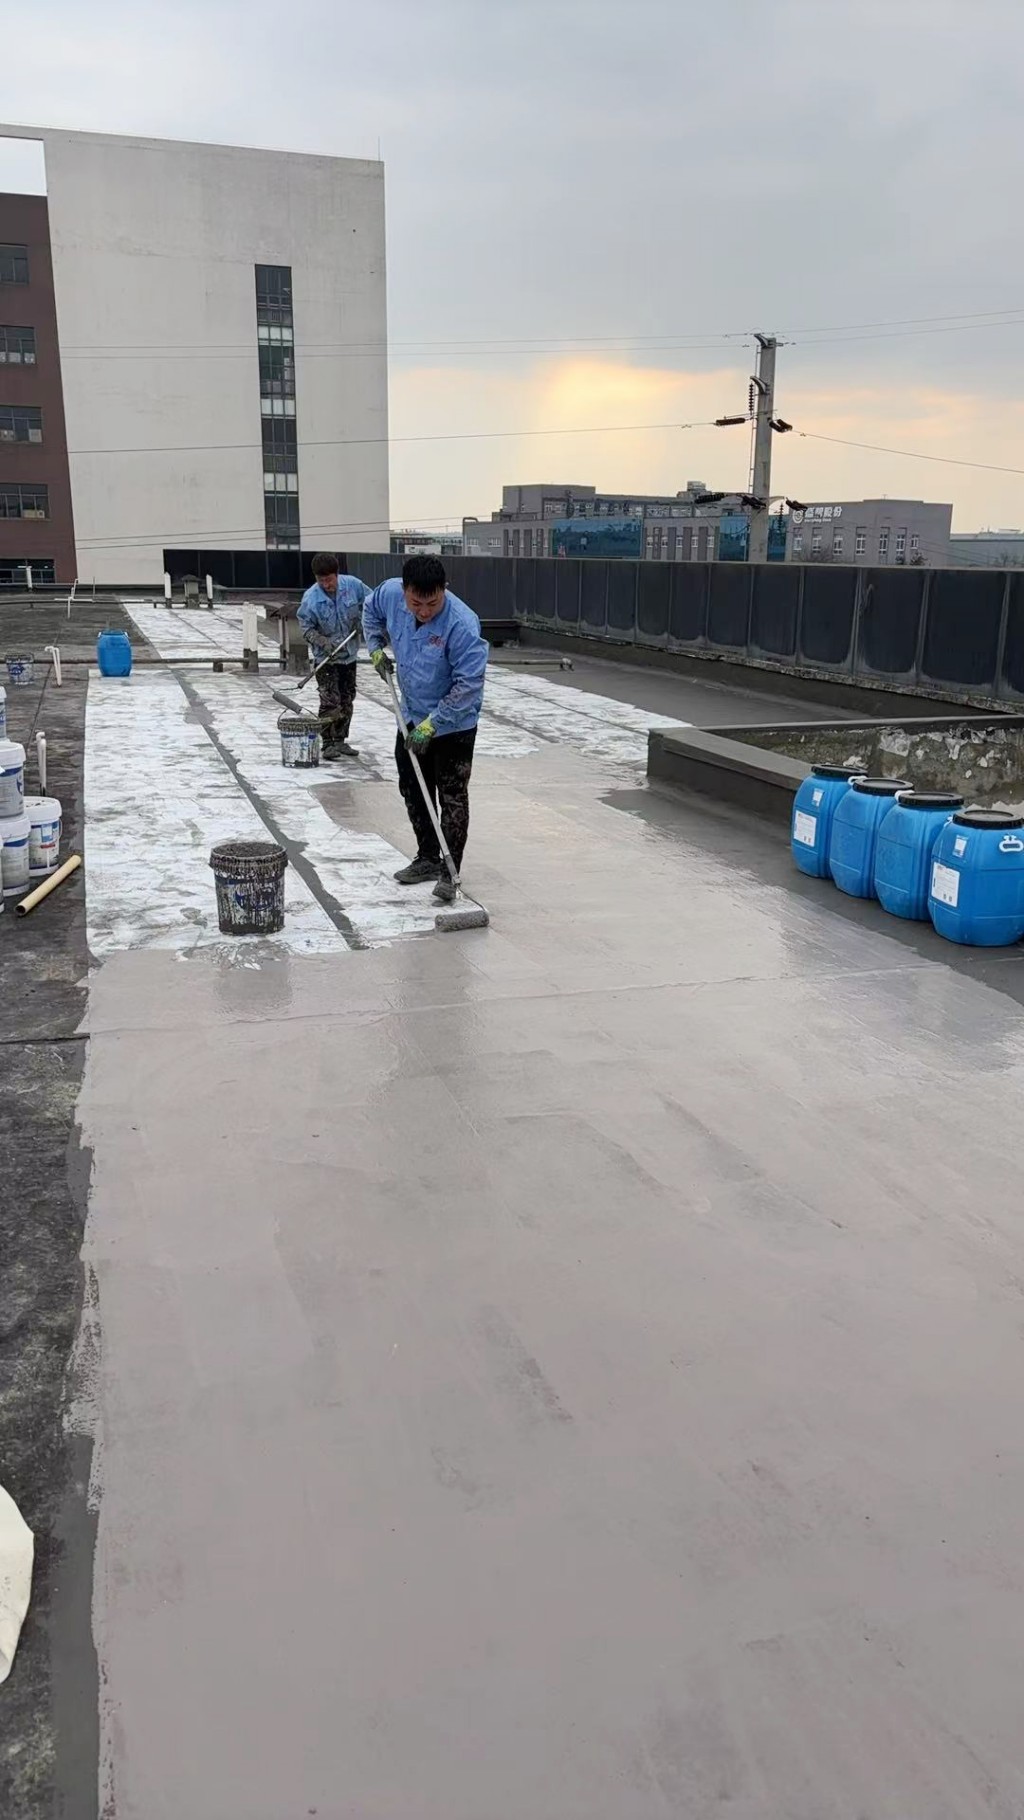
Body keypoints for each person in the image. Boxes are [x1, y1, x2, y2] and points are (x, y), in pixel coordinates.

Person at [362, 555, 488, 904]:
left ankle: (449, 872)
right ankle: (428, 857)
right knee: (414, 787)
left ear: (444, 590)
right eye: (416, 603)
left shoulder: (462, 625)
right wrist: (375, 647)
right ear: (404, 591)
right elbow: (370, 611)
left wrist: (435, 723)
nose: (424, 611)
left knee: (451, 795)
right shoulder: (389, 594)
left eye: (432, 603)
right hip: (411, 714)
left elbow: (468, 685)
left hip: (454, 724)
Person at [296, 553, 370, 759]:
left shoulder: (353, 586)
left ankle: (340, 740)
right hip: (326, 659)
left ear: (337, 574)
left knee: (347, 698)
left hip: (349, 655)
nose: (326, 585)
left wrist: (363, 620)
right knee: (330, 700)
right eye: (321, 580)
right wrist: (322, 641)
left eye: (329, 580)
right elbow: (306, 629)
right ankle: (328, 743)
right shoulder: (311, 599)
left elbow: (373, 604)